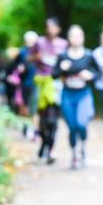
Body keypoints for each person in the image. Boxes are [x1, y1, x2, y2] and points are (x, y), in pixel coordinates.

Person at [53, 25, 100, 169]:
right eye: (73, 36)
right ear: (69, 38)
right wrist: (62, 68)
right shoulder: (63, 56)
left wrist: (90, 75)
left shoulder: (88, 55)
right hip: (68, 94)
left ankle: (83, 148)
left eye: (78, 36)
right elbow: (53, 74)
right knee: (72, 126)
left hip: (83, 94)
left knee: (81, 123)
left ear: (83, 37)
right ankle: (74, 154)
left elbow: (98, 74)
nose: (76, 39)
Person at [32, 18, 68, 164]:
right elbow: (29, 59)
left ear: (58, 29)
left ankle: (50, 149)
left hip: (56, 84)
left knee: (53, 120)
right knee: (42, 118)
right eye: (48, 27)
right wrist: (36, 57)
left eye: (54, 27)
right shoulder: (39, 42)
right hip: (41, 83)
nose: (51, 29)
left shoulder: (63, 44)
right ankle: (44, 143)